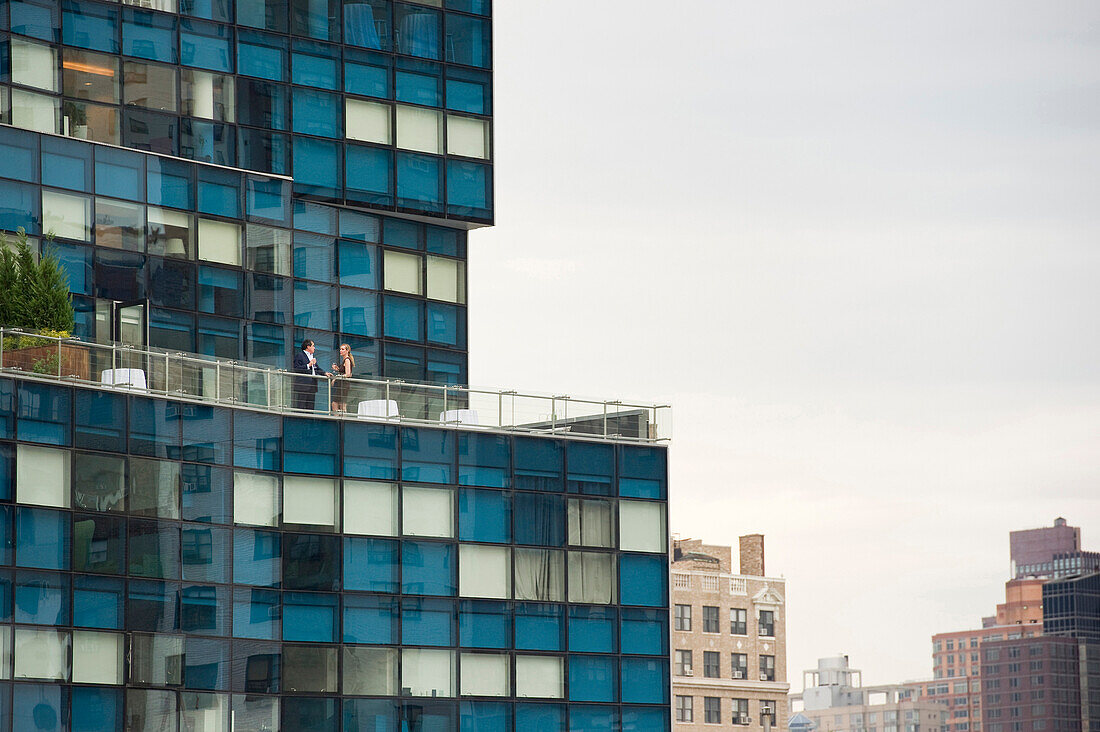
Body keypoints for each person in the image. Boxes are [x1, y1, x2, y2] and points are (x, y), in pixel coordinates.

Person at [291, 339, 327, 410]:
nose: (314, 348)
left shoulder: (312, 356)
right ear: (308, 347)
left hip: (312, 384)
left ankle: (309, 420)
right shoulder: (300, 355)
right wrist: (309, 364)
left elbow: (316, 369)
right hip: (303, 384)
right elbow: (296, 368)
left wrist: (325, 373)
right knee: (301, 405)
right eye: (313, 346)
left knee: (310, 406)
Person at [330, 343, 355, 413]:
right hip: (342, 384)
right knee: (341, 403)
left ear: (347, 351)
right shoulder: (345, 360)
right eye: (340, 349)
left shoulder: (347, 360)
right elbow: (344, 372)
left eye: (343, 349)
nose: (341, 350)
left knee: (336, 403)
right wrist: (338, 369)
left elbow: (348, 374)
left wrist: (337, 377)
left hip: (343, 384)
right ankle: (340, 419)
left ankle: (339, 419)